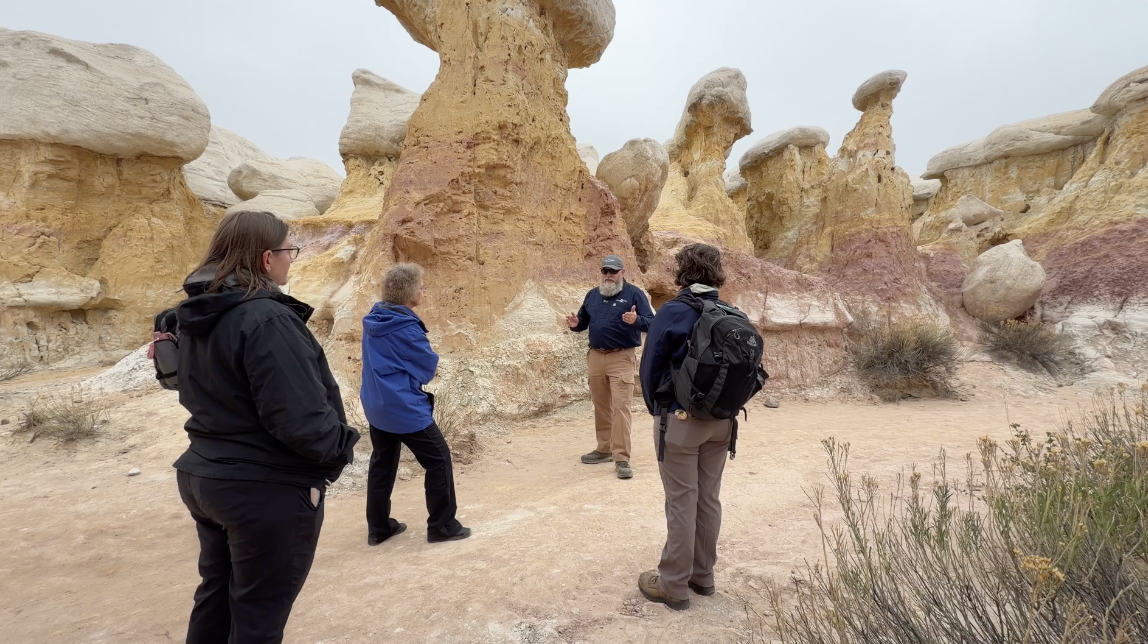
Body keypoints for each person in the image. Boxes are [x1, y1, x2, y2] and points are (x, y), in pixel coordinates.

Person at [173, 210, 360, 643]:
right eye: (288, 251)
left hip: (205, 474)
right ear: (265, 258)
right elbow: (298, 417)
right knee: (258, 616)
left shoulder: (198, 313)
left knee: (216, 599)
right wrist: (338, 450)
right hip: (262, 486)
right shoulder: (266, 319)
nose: (291, 260)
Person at [636, 243, 731, 611]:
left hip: (679, 422)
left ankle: (673, 585)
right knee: (708, 499)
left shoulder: (673, 311)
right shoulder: (729, 311)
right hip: (721, 424)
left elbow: (649, 368)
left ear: (682, 271)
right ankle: (702, 577)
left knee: (681, 500)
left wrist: (657, 410)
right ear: (716, 272)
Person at [361, 263, 471, 545]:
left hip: (376, 405)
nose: (423, 290)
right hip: (403, 408)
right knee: (439, 460)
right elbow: (426, 369)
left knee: (382, 464)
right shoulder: (406, 328)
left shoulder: (374, 318)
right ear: (410, 293)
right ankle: (442, 526)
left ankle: (378, 528)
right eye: (421, 286)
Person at [566, 254, 655, 479]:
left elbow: (652, 323)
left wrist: (636, 321)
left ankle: (622, 458)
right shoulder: (593, 295)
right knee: (601, 405)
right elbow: (583, 321)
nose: (608, 275)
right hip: (596, 357)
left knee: (621, 407)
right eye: (605, 271)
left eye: (613, 271)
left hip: (621, 357)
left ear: (622, 273)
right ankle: (604, 448)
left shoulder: (634, 294)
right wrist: (576, 325)